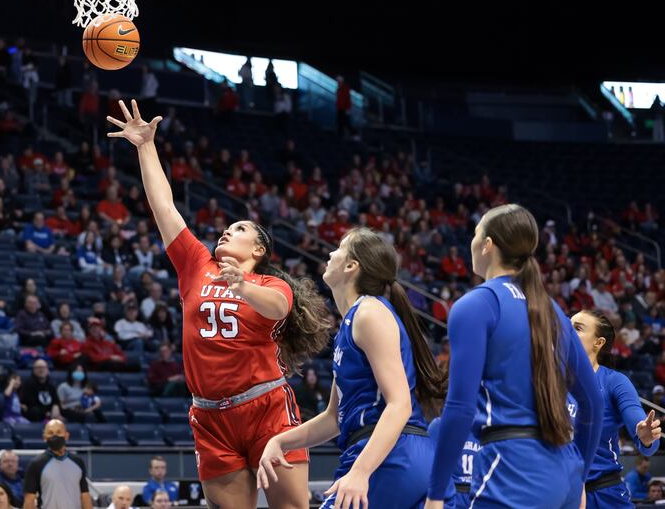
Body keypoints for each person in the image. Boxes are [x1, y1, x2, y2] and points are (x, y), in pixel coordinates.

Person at [108, 100, 332, 508]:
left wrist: (243, 288)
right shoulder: (196, 264)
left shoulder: (271, 284)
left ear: (260, 248)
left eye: (239, 229)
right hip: (210, 417)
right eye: (226, 229)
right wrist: (144, 147)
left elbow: (278, 309)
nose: (226, 232)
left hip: (265, 407)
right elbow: (164, 206)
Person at [425, 204, 603, 509]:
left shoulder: (477, 304)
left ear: (488, 245)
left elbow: (459, 407)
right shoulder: (553, 310)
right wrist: (580, 476)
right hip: (565, 471)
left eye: (475, 232)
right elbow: (593, 402)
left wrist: (436, 493)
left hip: (512, 467)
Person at [258, 227, 447, 508]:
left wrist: (360, 472)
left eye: (339, 247)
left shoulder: (369, 313)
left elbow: (399, 404)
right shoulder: (355, 321)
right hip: (388, 452)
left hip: (391, 454)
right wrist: (280, 442)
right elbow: (333, 418)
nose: (330, 253)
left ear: (351, 266)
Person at [571, 309, 661, 508]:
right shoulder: (547, 382)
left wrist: (646, 436)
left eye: (577, 328)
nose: (567, 332)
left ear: (598, 342)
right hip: (561, 493)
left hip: (604, 495)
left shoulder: (614, 382)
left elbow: (644, 436)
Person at [23, 420, 92, 509]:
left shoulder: (78, 462)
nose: (55, 436)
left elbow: (85, 496)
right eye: (50, 433)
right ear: (44, 437)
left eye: (59, 432)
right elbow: (29, 499)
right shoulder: (35, 464)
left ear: (66, 436)